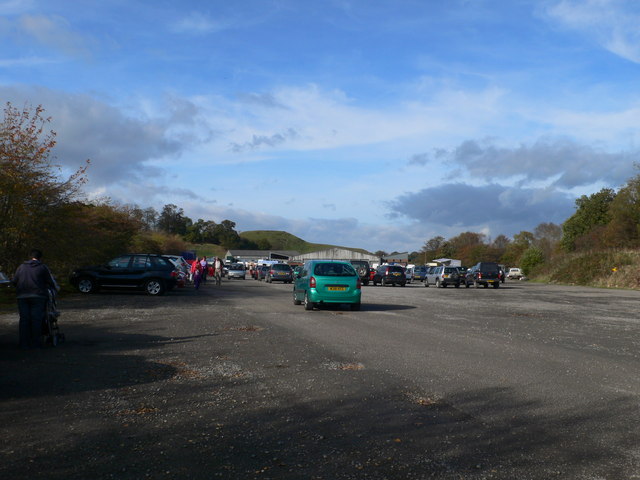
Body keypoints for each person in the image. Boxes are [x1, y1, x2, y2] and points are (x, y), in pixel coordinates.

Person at [11, 249, 58, 349]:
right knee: (36, 319)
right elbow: (50, 282)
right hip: (38, 295)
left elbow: (14, 281)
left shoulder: (21, 267)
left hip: (22, 296)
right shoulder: (42, 267)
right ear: (40, 258)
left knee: (24, 320)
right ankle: (36, 343)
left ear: (30, 256)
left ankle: (23, 343)